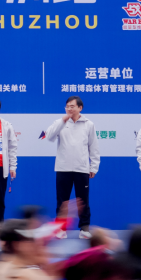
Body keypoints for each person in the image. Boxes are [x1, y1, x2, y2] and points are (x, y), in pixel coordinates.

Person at [45, 96, 100, 238]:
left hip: (82, 168)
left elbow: (93, 147)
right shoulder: (59, 122)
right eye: (67, 106)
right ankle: (60, 229)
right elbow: (49, 137)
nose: (69, 109)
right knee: (62, 200)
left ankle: (84, 229)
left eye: (72, 106)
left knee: (83, 200)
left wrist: (94, 167)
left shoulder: (89, 124)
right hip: (63, 168)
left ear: (80, 108)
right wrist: (62, 121)